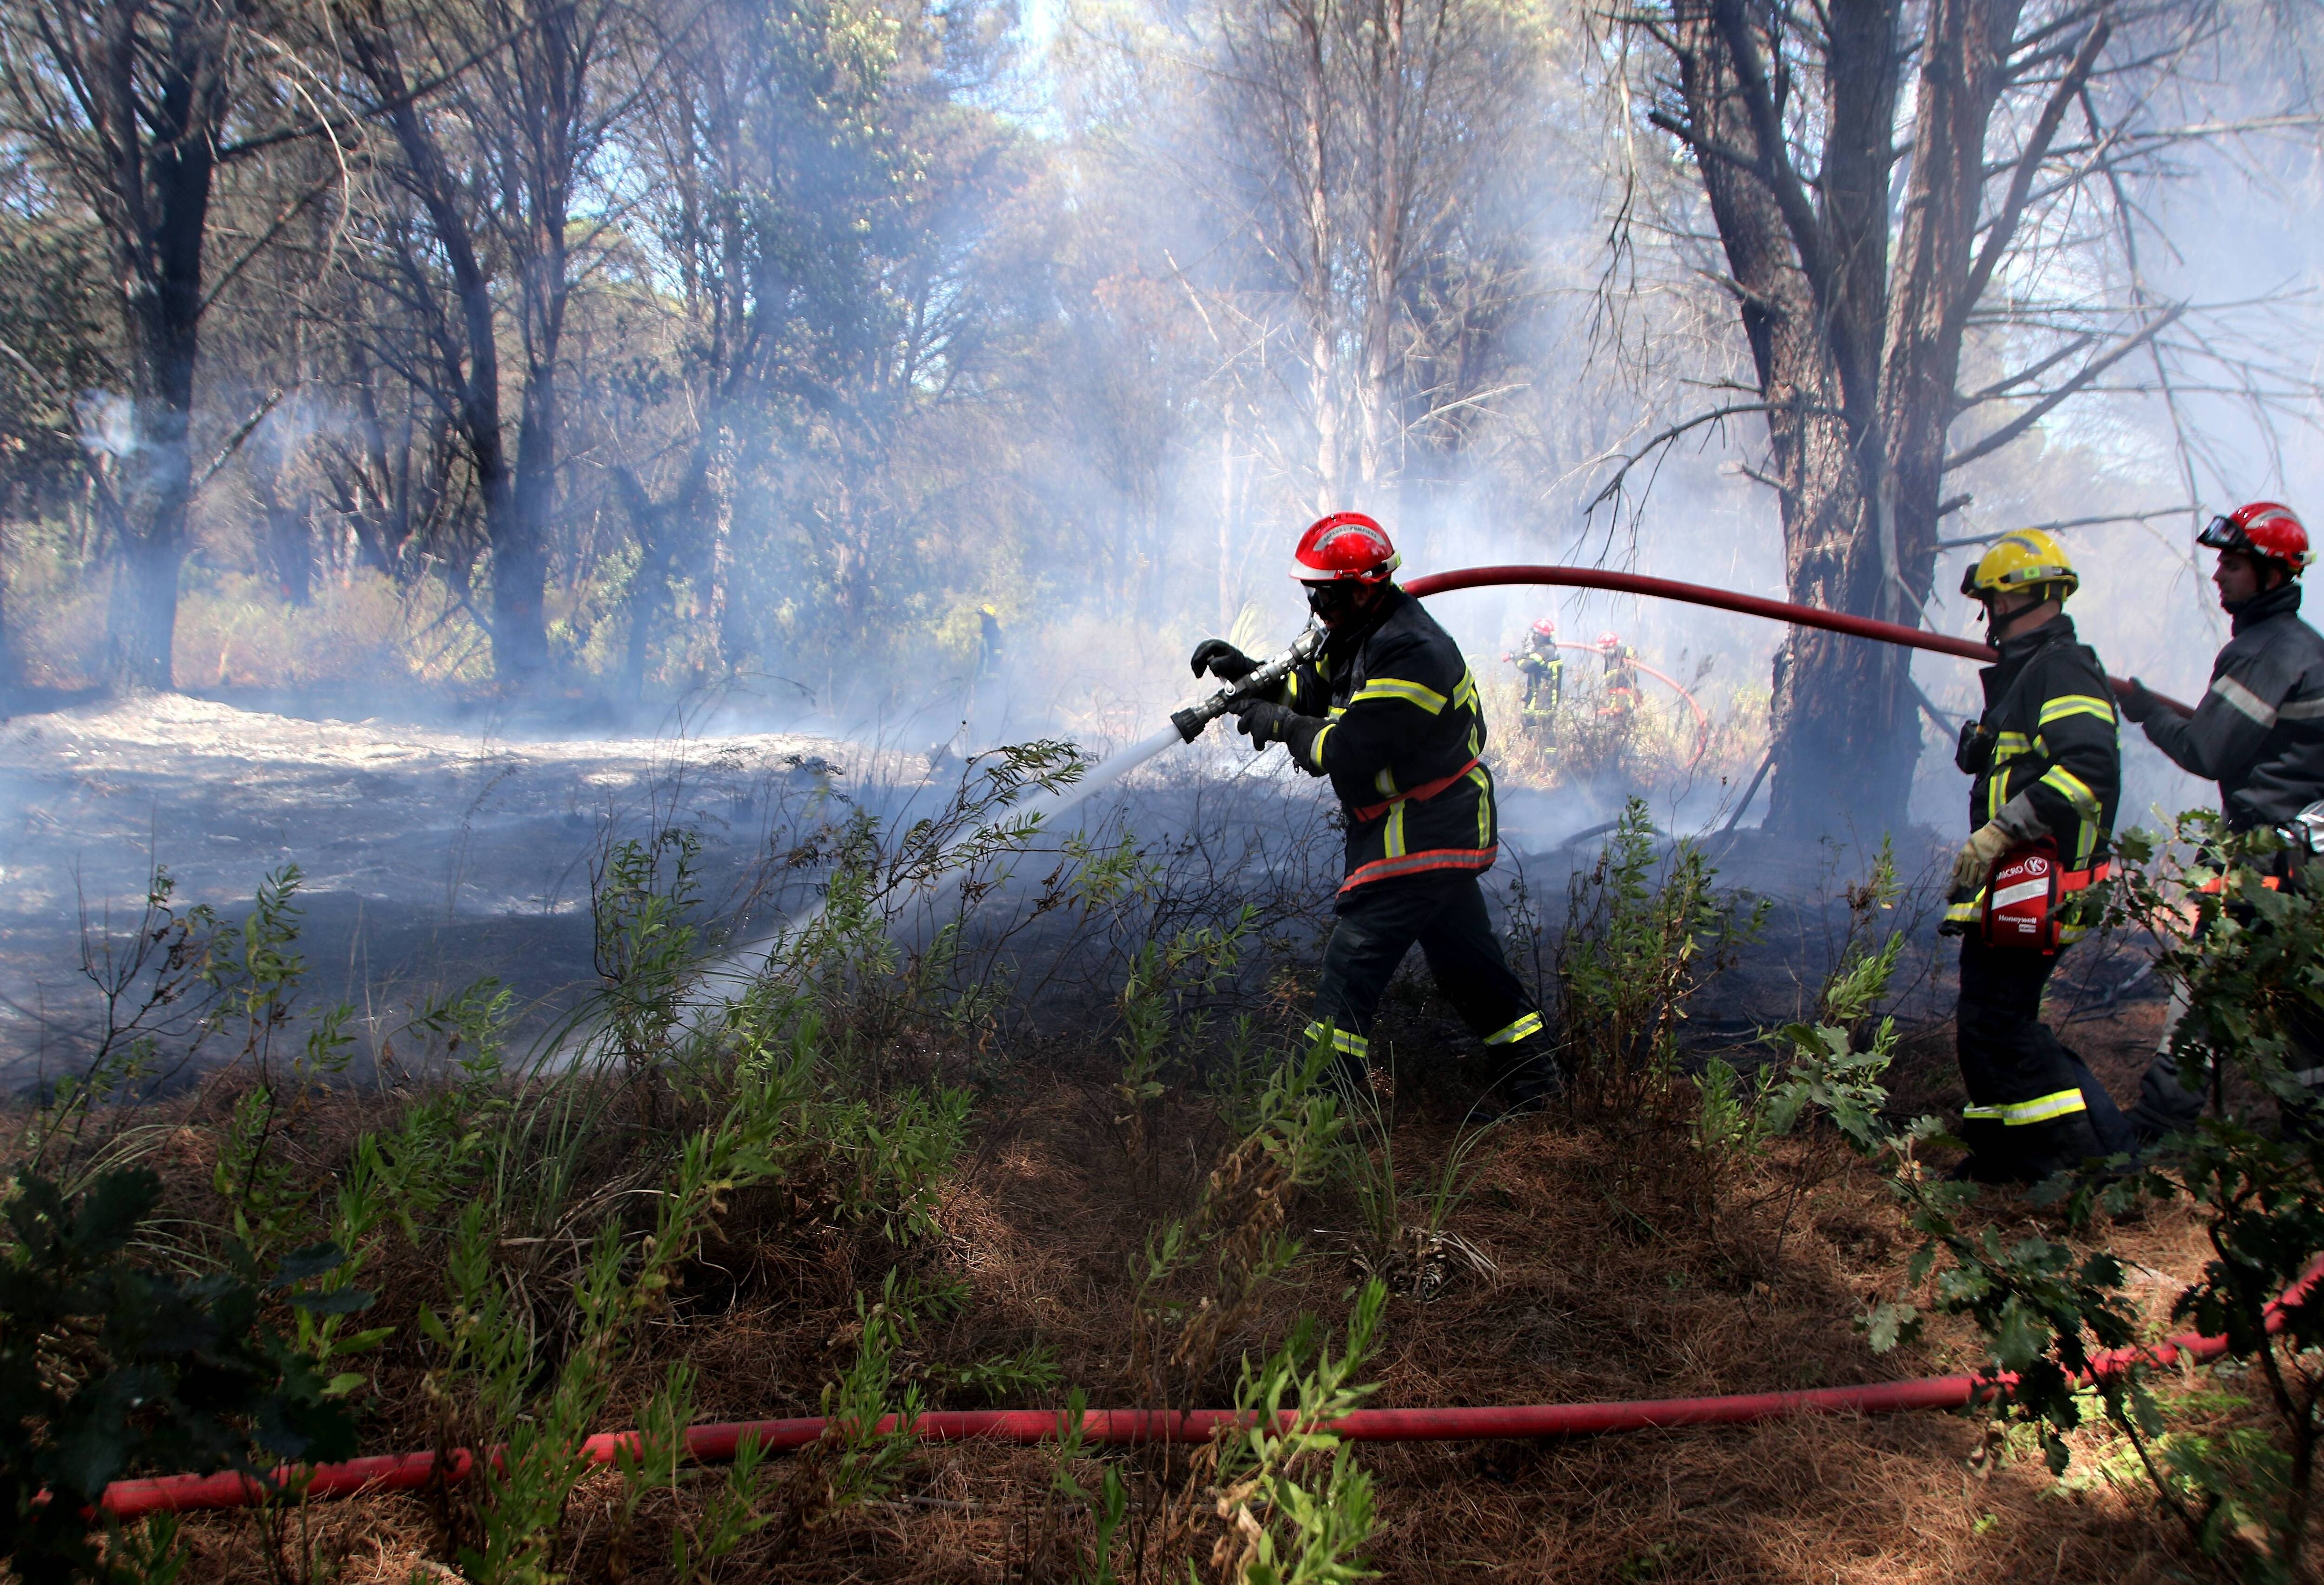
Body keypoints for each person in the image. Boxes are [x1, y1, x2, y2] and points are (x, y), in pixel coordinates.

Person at [1188, 511, 1558, 1107]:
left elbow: (1347, 751)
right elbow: (1312, 694)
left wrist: (1279, 724)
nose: (1317, 608)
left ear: (1364, 587)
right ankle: (1536, 1083)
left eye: (1326, 595)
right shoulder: (1354, 632)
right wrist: (1251, 676)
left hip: (1424, 829)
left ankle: (1319, 1105)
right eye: (1311, 595)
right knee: (1468, 967)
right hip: (1408, 827)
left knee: (1351, 965)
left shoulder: (1416, 654)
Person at [2118, 501, 2324, 1143]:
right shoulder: (2304, 645)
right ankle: (2310, 1130)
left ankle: (2156, 1127)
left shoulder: (2262, 652)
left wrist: (2147, 712)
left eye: (2232, 564)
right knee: (2303, 1000)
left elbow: (2206, 751)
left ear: (2271, 573)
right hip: (2308, 862)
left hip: (2265, 860)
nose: (2217, 575)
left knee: (2204, 985)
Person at [1944, 529, 2135, 1181]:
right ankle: (2006, 1154)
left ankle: (2084, 1158)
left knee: (1999, 1023)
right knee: (1988, 1020)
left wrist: (2000, 831)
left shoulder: (2060, 668)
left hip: (2040, 884)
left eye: (1989, 603)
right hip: (2019, 886)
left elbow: (2088, 767)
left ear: (2010, 600)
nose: (1988, 618)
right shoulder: (2032, 672)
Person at [1513, 618, 1564, 728]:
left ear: (1541, 636)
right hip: (1549, 704)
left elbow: (1526, 666)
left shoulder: (1543, 653)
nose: (1533, 637)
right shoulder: (1552, 651)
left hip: (1539, 704)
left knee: (1533, 730)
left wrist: (1517, 657)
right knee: (1546, 731)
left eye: (1535, 634)